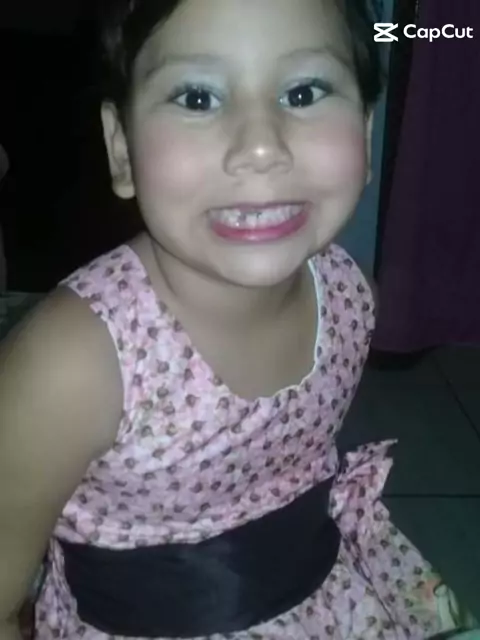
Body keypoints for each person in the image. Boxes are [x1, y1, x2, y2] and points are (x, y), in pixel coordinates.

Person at [0, 1, 477, 638]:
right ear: (122, 149)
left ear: (365, 134)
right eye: (197, 97)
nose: (261, 146)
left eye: (304, 92)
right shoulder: (72, 365)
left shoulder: (348, 293)